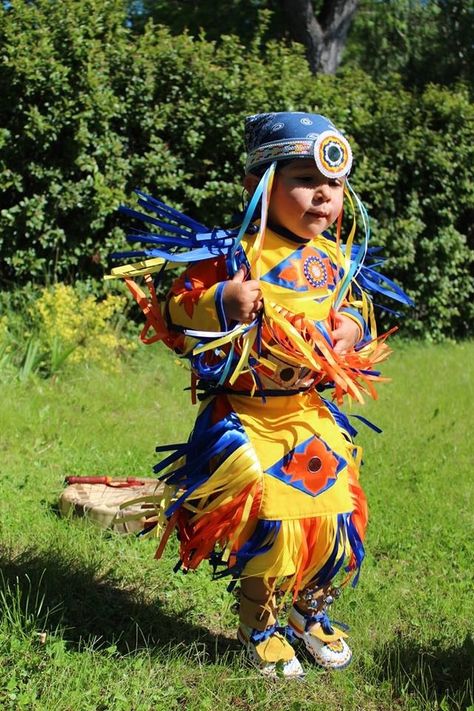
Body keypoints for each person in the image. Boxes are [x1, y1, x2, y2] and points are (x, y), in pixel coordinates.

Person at [110, 112, 411, 679]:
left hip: (311, 415)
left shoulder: (338, 261)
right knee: (272, 518)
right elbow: (175, 314)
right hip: (247, 417)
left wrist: (352, 330)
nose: (323, 196)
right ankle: (261, 622)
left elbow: (351, 314)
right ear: (258, 185)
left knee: (332, 517)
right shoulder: (234, 253)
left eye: (336, 186)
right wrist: (220, 299)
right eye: (304, 179)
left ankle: (309, 612)